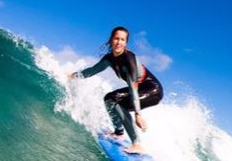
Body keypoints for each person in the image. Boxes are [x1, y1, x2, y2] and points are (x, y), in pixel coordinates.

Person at [69, 26, 163, 154]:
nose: (119, 42)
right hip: (139, 89)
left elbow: (133, 88)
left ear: (126, 43)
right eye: (116, 38)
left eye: (122, 40)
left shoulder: (129, 59)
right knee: (109, 98)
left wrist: (138, 114)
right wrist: (73, 76)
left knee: (120, 104)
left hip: (153, 90)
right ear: (111, 40)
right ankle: (119, 132)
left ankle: (137, 144)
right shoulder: (109, 59)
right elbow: (92, 71)